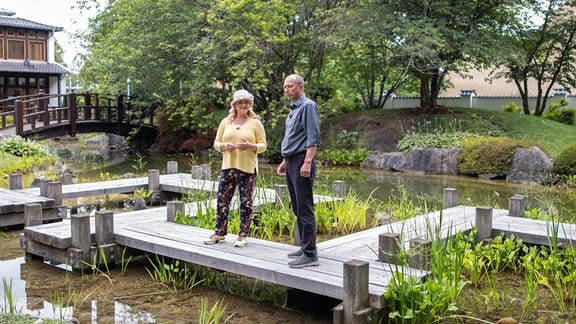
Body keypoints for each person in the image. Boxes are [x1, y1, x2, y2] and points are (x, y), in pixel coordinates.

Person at [204, 89, 267, 247]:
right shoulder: (226, 122)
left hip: (247, 168)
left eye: (246, 102)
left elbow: (263, 146)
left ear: (250, 105)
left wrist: (250, 146)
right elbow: (216, 143)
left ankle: (243, 235)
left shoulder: (255, 123)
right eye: (241, 102)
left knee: (246, 202)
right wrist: (224, 146)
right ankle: (219, 233)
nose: (244, 105)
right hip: (228, 167)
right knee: (222, 201)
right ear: (235, 105)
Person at [277, 74, 321, 268]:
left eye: (291, 86)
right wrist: (285, 160)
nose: (287, 89)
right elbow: (294, 137)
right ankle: (305, 247)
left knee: (305, 208)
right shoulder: (293, 109)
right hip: (291, 161)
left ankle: (311, 254)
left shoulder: (307, 106)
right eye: (285, 86)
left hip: (302, 161)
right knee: (296, 207)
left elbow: (313, 137)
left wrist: (307, 161)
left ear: (301, 88)